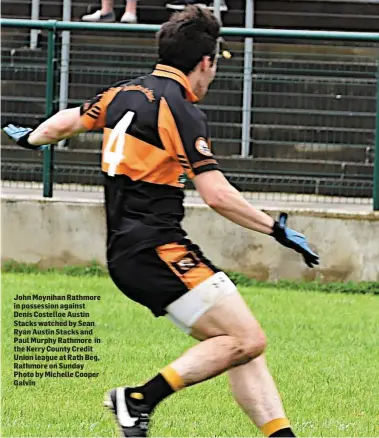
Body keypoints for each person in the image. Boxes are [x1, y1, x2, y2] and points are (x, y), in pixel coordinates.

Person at [3, 6, 319, 438]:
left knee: (240, 344)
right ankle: (138, 399)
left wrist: (32, 137)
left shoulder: (122, 93)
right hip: (158, 250)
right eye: (214, 66)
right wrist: (276, 229)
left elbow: (68, 121)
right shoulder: (180, 109)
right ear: (205, 62)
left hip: (130, 250)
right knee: (248, 340)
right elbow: (217, 195)